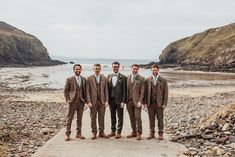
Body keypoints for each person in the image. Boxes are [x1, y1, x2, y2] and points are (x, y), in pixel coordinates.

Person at [144, 64, 168, 140]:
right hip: (150, 103)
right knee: (151, 118)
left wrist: (164, 103)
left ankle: (160, 133)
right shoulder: (147, 80)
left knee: (160, 119)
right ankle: (151, 133)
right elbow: (145, 92)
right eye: (153, 70)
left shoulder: (163, 80)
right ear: (151, 71)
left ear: (158, 70)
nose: (154, 71)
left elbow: (165, 93)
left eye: (155, 70)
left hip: (159, 103)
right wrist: (145, 102)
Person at [63, 64, 87, 141]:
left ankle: (78, 133)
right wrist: (68, 100)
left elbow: (85, 90)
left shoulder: (83, 79)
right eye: (76, 69)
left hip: (81, 102)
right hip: (72, 102)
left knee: (79, 119)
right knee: (69, 118)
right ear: (74, 70)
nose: (78, 70)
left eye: (79, 69)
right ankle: (67, 134)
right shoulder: (69, 79)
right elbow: (65, 90)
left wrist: (85, 99)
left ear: (81, 70)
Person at [86, 63, 109, 140]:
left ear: (100, 69)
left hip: (102, 101)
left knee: (101, 117)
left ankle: (101, 132)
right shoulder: (89, 78)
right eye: (96, 69)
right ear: (93, 69)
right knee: (93, 117)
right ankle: (94, 132)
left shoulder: (104, 78)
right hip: (93, 101)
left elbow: (106, 90)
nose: (97, 70)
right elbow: (87, 91)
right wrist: (88, 101)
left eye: (98, 69)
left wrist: (106, 101)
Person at [107, 61, 127, 139]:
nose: (115, 68)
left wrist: (123, 101)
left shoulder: (123, 77)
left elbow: (125, 90)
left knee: (120, 116)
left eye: (116, 67)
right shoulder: (109, 76)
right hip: (111, 100)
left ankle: (119, 132)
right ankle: (113, 131)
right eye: (114, 67)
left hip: (119, 100)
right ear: (112, 67)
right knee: (112, 116)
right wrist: (107, 100)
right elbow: (107, 89)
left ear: (119, 67)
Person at [126, 64, 145, 140]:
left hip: (137, 102)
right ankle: (133, 132)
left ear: (138, 70)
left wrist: (140, 101)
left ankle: (139, 133)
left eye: (136, 69)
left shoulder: (141, 78)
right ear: (131, 69)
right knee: (131, 118)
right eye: (134, 69)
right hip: (129, 101)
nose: (135, 70)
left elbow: (142, 91)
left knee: (137, 117)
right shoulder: (127, 77)